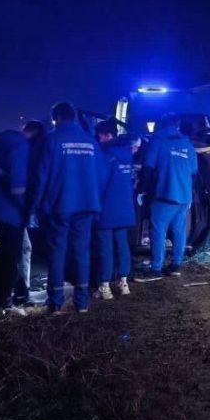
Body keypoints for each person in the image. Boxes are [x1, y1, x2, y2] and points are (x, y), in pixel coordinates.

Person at [31, 102, 102, 314]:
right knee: (81, 251)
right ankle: (82, 302)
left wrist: (35, 205)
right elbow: (101, 174)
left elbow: (41, 176)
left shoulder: (51, 140)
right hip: (87, 205)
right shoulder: (91, 141)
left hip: (59, 205)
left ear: (57, 118)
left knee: (57, 252)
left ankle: (55, 302)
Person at [137, 113, 198, 282]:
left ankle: (156, 269)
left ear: (161, 124)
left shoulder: (157, 140)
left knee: (158, 231)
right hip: (184, 196)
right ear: (178, 124)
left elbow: (148, 168)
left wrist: (143, 191)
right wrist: (188, 192)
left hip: (164, 194)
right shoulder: (187, 144)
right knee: (178, 230)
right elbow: (194, 173)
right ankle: (176, 266)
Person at [0, 127, 30, 316]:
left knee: (4, 254)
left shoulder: (2, 145)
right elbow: (17, 186)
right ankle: (6, 301)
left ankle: (5, 295)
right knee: (11, 256)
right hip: (11, 212)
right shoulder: (20, 146)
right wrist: (26, 210)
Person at [93, 120, 136, 299]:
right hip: (124, 207)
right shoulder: (127, 153)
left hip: (107, 207)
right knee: (123, 245)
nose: (98, 140)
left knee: (106, 248)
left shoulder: (106, 155)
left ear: (107, 135)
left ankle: (105, 287)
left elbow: (100, 183)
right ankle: (123, 283)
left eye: (100, 136)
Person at [14, 119, 46, 307]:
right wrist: (30, 209)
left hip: (14, 208)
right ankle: (19, 293)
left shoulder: (20, 151)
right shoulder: (25, 153)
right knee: (22, 248)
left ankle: (20, 291)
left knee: (21, 247)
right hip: (16, 208)